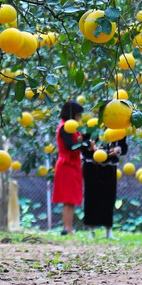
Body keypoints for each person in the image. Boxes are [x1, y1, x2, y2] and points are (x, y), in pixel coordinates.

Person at [52, 100, 88, 234]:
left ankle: (68, 228)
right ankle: (67, 228)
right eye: (78, 115)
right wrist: (83, 144)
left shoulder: (72, 127)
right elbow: (69, 146)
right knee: (68, 198)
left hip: (72, 164)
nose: (79, 118)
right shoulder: (65, 127)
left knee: (71, 198)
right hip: (67, 164)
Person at [82, 134, 127, 238]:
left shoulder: (117, 128)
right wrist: (91, 147)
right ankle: (91, 231)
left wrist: (117, 150)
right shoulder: (90, 124)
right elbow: (82, 144)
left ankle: (109, 231)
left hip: (109, 166)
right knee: (91, 197)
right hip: (91, 165)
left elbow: (123, 147)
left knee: (109, 197)